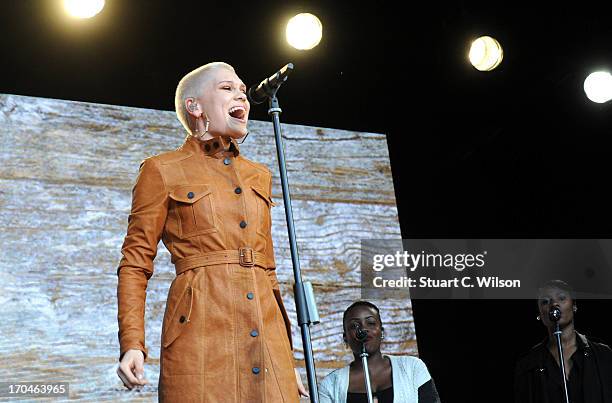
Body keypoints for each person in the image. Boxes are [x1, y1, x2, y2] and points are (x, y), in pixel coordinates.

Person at [115, 62, 308, 402]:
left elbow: (270, 270)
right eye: (226, 88)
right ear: (195, 106)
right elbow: (135, 263)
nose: (241, 96)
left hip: (266, 336)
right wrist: (132, 344)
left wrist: (286, 355)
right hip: (200, 333)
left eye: (243, 91)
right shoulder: (161, 170)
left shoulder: (258, 175)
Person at [319, 300, 441, 403]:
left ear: (381, 332)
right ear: (345, 338)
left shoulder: (413, 367)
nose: (363, 329)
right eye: (354, 326)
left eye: (371, 323)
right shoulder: (329, 385)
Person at [514, 279, 612, 402]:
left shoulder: (604, 355)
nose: (554, 304)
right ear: (540, 313)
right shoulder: (527, 364)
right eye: (545, 302)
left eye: (561, 298)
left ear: (574, 306)